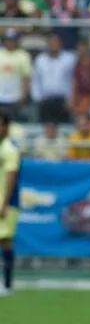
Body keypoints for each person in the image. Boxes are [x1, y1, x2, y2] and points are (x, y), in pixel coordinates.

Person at [0, 111, 20, 296]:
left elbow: (11, 176)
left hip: (6, 203)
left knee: (5, 241)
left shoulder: (10, 148)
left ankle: (7, 284)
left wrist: (4, 203)